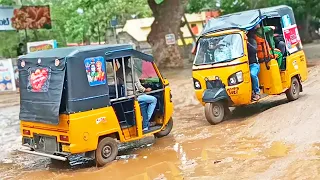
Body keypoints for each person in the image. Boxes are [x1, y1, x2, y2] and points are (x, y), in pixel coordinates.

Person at [116, 58, 157, 131]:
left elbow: (121, 84)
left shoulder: (118, 72)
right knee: (154, 100)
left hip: (126, 96)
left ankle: (145, 121)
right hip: (134, 97)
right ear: (127, 61)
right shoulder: (131, 71)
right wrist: (146, 89)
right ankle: (146, 122)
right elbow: (139, 86)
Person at [246, 31, 260, 101]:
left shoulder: (252, 41)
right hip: (244, 65)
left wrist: (247, 43)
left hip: (254, 65)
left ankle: (257, 93)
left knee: (252, 74)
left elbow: (254, 50)